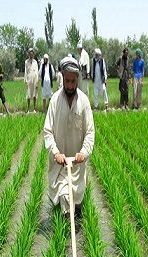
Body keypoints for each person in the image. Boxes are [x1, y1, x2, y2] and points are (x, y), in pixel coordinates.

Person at [44, 56, 95, 215]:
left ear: (77, 79)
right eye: (67, 81)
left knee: (77, 201)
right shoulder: (54, 101)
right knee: (65, 199)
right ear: (63, 78)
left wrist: (84, 152)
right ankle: (65, 225)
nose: (70, 85)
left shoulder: (84, 101)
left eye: (73, 81)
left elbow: (89, 132)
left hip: (77, 164)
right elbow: (47, 132)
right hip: (60, 165)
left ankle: (75, 213)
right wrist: (56, 153)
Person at [24, 48, 39, 113]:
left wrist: (37, 81)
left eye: (32, 54)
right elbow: (25, 72)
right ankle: (28, 109)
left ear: (33, 54)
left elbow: (37, 72)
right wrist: (26, 81)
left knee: (34, 94)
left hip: (35, 79)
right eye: (30, 53)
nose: (31, 55)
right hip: (29, 78)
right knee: (28, 94)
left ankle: (34, 109)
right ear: (28, 54)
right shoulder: (26, 61)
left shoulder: (35, 62)